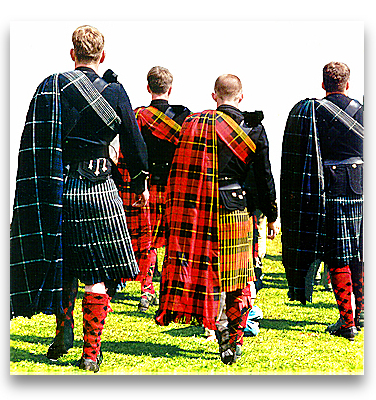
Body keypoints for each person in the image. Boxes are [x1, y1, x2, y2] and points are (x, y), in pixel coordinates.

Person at [10, 25, 149, 372]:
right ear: (102, 56)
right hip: (102, 189)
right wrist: (141, 182)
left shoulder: (54, 88)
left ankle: (63, 331)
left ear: (72, 54)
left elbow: (36, 143)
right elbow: (134, 144)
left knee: (66, 264)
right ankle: (90, 353)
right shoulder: (115, 92)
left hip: (63, 188)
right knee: (96, 273)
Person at [155, 74, 279, 364]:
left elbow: (178, 166)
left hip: (198, 207)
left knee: (204, 274)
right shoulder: (253, 128)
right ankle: (233, 341)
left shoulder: (195, 124)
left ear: (214, 96)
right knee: (237, 279)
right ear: (241, 97)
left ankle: (215, 326)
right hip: (235, 210)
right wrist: (271, 215)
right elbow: (264, 177)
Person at [280, 62, 363, 341]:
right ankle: (362, 312)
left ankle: (347, 321)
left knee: (338, 254)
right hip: (362, 185)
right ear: (347, 84)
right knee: (360, 252)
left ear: (324, 84)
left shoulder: (313, 112)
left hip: (329, 186)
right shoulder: (364, 111)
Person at [117, 66, 190, 311]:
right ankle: (169, 294)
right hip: (173, 189)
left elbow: (127, 155)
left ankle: (146, 291)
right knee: (172, 242)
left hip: (145, 189)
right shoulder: (185, 119)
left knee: (146, 241)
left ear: (148, 88)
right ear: (170, 89)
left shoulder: (138, 116)